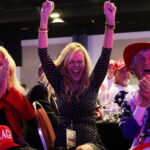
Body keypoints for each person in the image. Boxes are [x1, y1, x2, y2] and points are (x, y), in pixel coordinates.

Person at [38, 0, 116, 150]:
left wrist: (110, 21)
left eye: (80, 62)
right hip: (63, 144)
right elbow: (43, 53)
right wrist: (44, 17)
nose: (76, 66)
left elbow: (106, 53)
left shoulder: (93, 82)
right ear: (65, 65)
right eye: (71, 62)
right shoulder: (59, 82)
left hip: (91, 145)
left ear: (85, 64)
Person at [0, 46, 35, 149]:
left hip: (16, 144)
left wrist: (9, 88)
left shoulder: (12, 93)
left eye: (1, 64)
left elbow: (29, 116)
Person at [119, 42, 150, 150]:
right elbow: (127, 133)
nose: (146, 62)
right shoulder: (130, 98)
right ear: (134, 68)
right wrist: (142, 103)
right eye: (141, 59)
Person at [23, 64, 58, 150]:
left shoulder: (47, 91)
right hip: (38, 141)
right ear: (40, 74)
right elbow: (51, 119)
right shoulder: (39, 89)